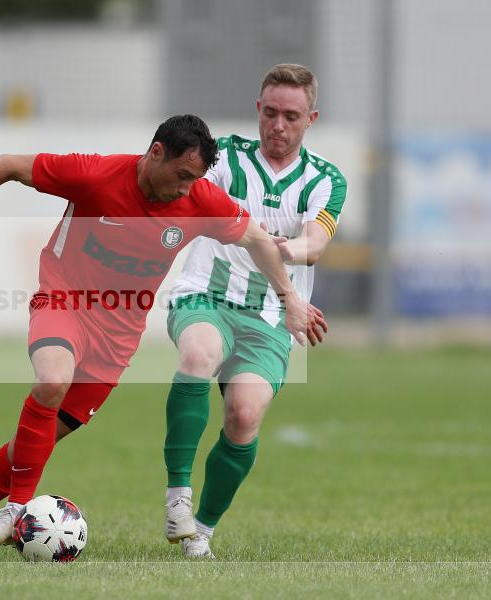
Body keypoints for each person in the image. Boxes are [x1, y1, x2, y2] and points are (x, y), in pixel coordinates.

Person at [0, 114, 311, 556]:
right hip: (65, 302)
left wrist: (288, 296)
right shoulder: (94, 174)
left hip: (116, 341)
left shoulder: (199, 198)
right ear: (156, 153)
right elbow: (8, 165)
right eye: (182, 175)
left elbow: (256, 239)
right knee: (52, 381)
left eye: (195, 180)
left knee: (31, 446)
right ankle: (16, 509)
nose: (187, 189)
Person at [161, 64, 346, 559]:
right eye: (270, 112)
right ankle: (177, 497)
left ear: (311, 118)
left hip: (269, 314)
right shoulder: (224, 157)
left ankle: (201, 530)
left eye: (290, 115)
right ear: (257, 110)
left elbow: (316, 242)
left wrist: (280, 254)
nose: (278, 125)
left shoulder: (325, 179)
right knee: (198, 355)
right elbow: (186, 193)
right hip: (205, 296)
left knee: (243, 416)